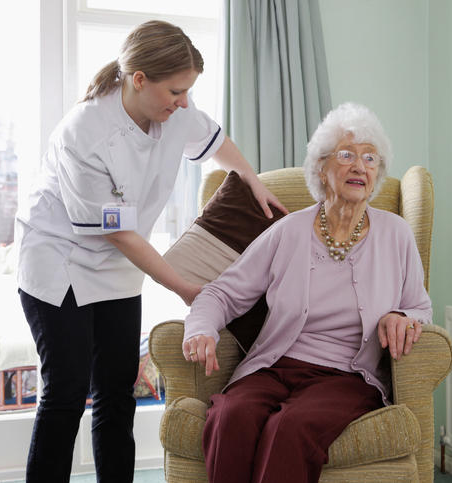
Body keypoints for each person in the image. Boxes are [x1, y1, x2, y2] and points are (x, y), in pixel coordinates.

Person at [15, 20, 287, 483]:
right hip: (60, 265)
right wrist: (184, 288)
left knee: (117, 393)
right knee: (65, 391)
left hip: (118, 270)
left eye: (187, 92)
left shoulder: (172, 109)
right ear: (138, 79)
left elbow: (216, 143)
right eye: (176, 91)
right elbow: (118, 233)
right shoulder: (84, 135)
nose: (183, 102)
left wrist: (252, 182)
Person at [182, 102, 433, 483]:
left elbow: (419, 308)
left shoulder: (396, 233)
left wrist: (402, 319)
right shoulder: (288, 232)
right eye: (346, 155)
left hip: (347, 377)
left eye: (370, 158)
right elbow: (223, 293)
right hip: (275, 366)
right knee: (231, 416)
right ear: (321, 166)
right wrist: (201, 328)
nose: (359, 166)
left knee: (291, 427)